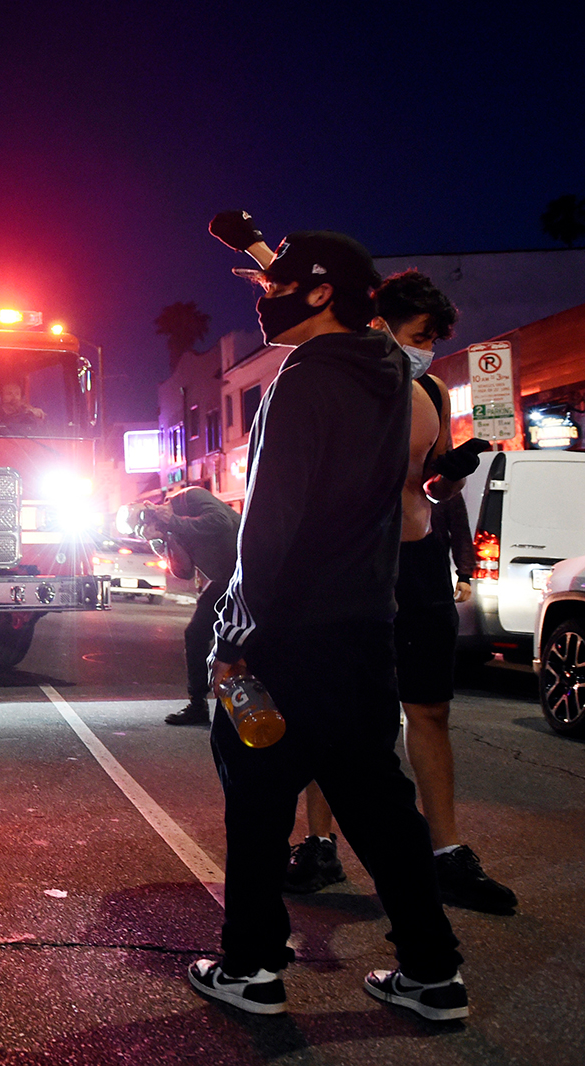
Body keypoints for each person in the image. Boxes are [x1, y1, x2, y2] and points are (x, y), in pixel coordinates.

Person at [189, 214, 467, 1021]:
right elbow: (350, 299)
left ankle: (250, 968)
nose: (265, 302)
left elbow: (271, 522)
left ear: (319, 294)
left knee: (258, 796)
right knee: (379, 801)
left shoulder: (301, 382)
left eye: (277, 291)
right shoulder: (388, 370)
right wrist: (263, 251)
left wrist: (234, 636)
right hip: (361, 628)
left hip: (287, 634)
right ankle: (432, 970)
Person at [287, 271, 515, 914]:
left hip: (418, 561)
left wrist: (450, 474)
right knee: (339, 709)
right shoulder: (342, 383)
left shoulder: (432, 390)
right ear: (380, 323)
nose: (429, 352)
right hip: (356, 564)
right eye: (421, 337)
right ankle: (320, 845)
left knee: (430, 709)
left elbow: (433, 489)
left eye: (437, 342)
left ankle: (447, 855)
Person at [132, 486, 241, 726]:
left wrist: (172, 521)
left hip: (249, 571)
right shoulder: (172, 528)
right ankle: (197, 704)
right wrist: (161, 541)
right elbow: (183, 571)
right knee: (196, 633)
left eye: (148, 519)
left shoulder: (189, 498)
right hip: (226, 580)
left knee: (252, 637)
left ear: (154, 507)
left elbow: (221, 522)